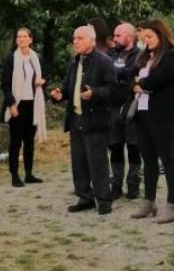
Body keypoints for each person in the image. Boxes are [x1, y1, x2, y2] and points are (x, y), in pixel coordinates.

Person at [51, 25, 119, 215]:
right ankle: (85, 197)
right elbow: (67, 87)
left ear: (91, 40)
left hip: (95, 120)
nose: (75, 42)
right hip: (76, 119)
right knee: (79, 162)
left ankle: (103, 200)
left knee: (97, 163)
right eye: (74, 38)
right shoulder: (74, 63)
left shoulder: (104, 62)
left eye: (80, 38)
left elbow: (113, 89)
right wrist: (59, 94)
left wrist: (94, 93)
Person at [129, 19, 174, 223]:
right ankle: (149, 200)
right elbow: (129, 77)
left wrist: (140, 84)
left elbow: (156, 80)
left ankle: (172, 203)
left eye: (150, 37)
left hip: (163, 114)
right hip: (142, 112)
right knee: (148, 158)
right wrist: (137, 84)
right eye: (143, 37)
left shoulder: (171, 57)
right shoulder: (144, 57)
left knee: (167, 157)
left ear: (161, 35)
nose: (146, 40)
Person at [0, 28, 47, 188]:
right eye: (18, 36)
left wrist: (42, 82)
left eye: (24, 36)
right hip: (17, 104)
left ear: (30, 39)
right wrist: (11, 104)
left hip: (33, 103)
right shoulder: (11, 58)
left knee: (29, 141)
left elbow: (41, 78)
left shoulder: (35, 58)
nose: (21, 39)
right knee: (15, 141)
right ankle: (14, 175)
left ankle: (28, 174)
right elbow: (5, 84)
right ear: (16, 40)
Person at [106, 22, 141, 199]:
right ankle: (116, 185)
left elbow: (132, 72)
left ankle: (133, 184)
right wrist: (120, 75)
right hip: (112, 106)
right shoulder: (110, 53)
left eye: (118, 35)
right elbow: (107, 72)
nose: (114, 38)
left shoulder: (140, 54)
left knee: (134, 147)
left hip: (132, 106)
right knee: (115, 146)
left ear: (129, 36)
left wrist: (119, 75)